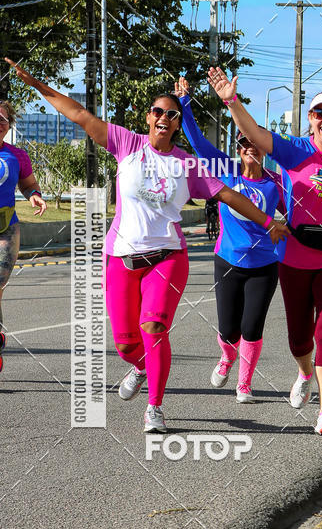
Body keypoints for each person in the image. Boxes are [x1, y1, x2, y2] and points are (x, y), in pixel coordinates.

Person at [5, 58, 288, 433]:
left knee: (154, 327)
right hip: (121, 256)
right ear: (148, 117)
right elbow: (77, 114)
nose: (164, 118)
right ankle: (139, 366)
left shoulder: (188, 165)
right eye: (158, 111)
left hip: (167, 258)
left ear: (175, 124)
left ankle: (154, 406)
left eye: (172, 115)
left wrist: (270, 221)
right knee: (125, 343)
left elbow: (231, 197)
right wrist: (36, 83)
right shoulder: (126, 143)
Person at [208, 65, 322, 437]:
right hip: (294, 256)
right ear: (310, 119)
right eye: (320, 113)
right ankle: (305, 372)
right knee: (299, 338)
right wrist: (231, 101)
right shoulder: (295, 151)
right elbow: (252, 133)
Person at [174, 77, 283, 403]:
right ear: (238, 149)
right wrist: (185, 105)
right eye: (244, 144)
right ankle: (226, 355)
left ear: (263, 149)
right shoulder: (226, 170)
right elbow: (197, 142)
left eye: (255, 144)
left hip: (264, 265)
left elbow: (297, 212)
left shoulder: (275, 184)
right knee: (228, 330)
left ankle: (244, 384)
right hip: (228, 260)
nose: (250, 148)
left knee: (251, 328)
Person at [0, 99, 47, 372]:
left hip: (6, 229)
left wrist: (36, 196)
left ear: (8, 127)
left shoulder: (16, 156)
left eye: (2, 120)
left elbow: (29, 185)